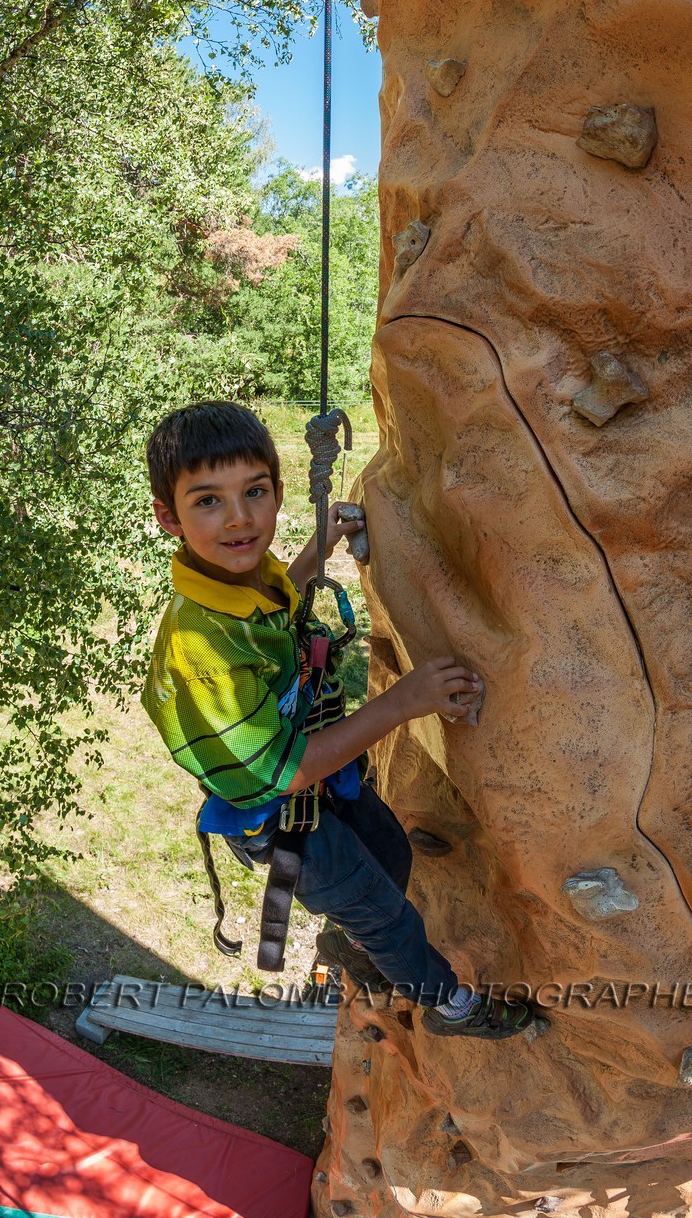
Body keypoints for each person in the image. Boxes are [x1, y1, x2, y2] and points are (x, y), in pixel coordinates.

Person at [142, 401, 541, 1039]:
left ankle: (358, 941)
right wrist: (402, 703)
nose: (241, 518)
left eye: (255, 492)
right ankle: (451, 1006)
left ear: (276, 490)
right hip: (274, 813)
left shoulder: (236, 576)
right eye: (208, 501)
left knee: (388, 852)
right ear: (170, 517)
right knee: (388, 916)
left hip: (307, 779)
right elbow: (286, 770)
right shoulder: (205, 651)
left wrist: (318, 547)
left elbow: (277, 607)